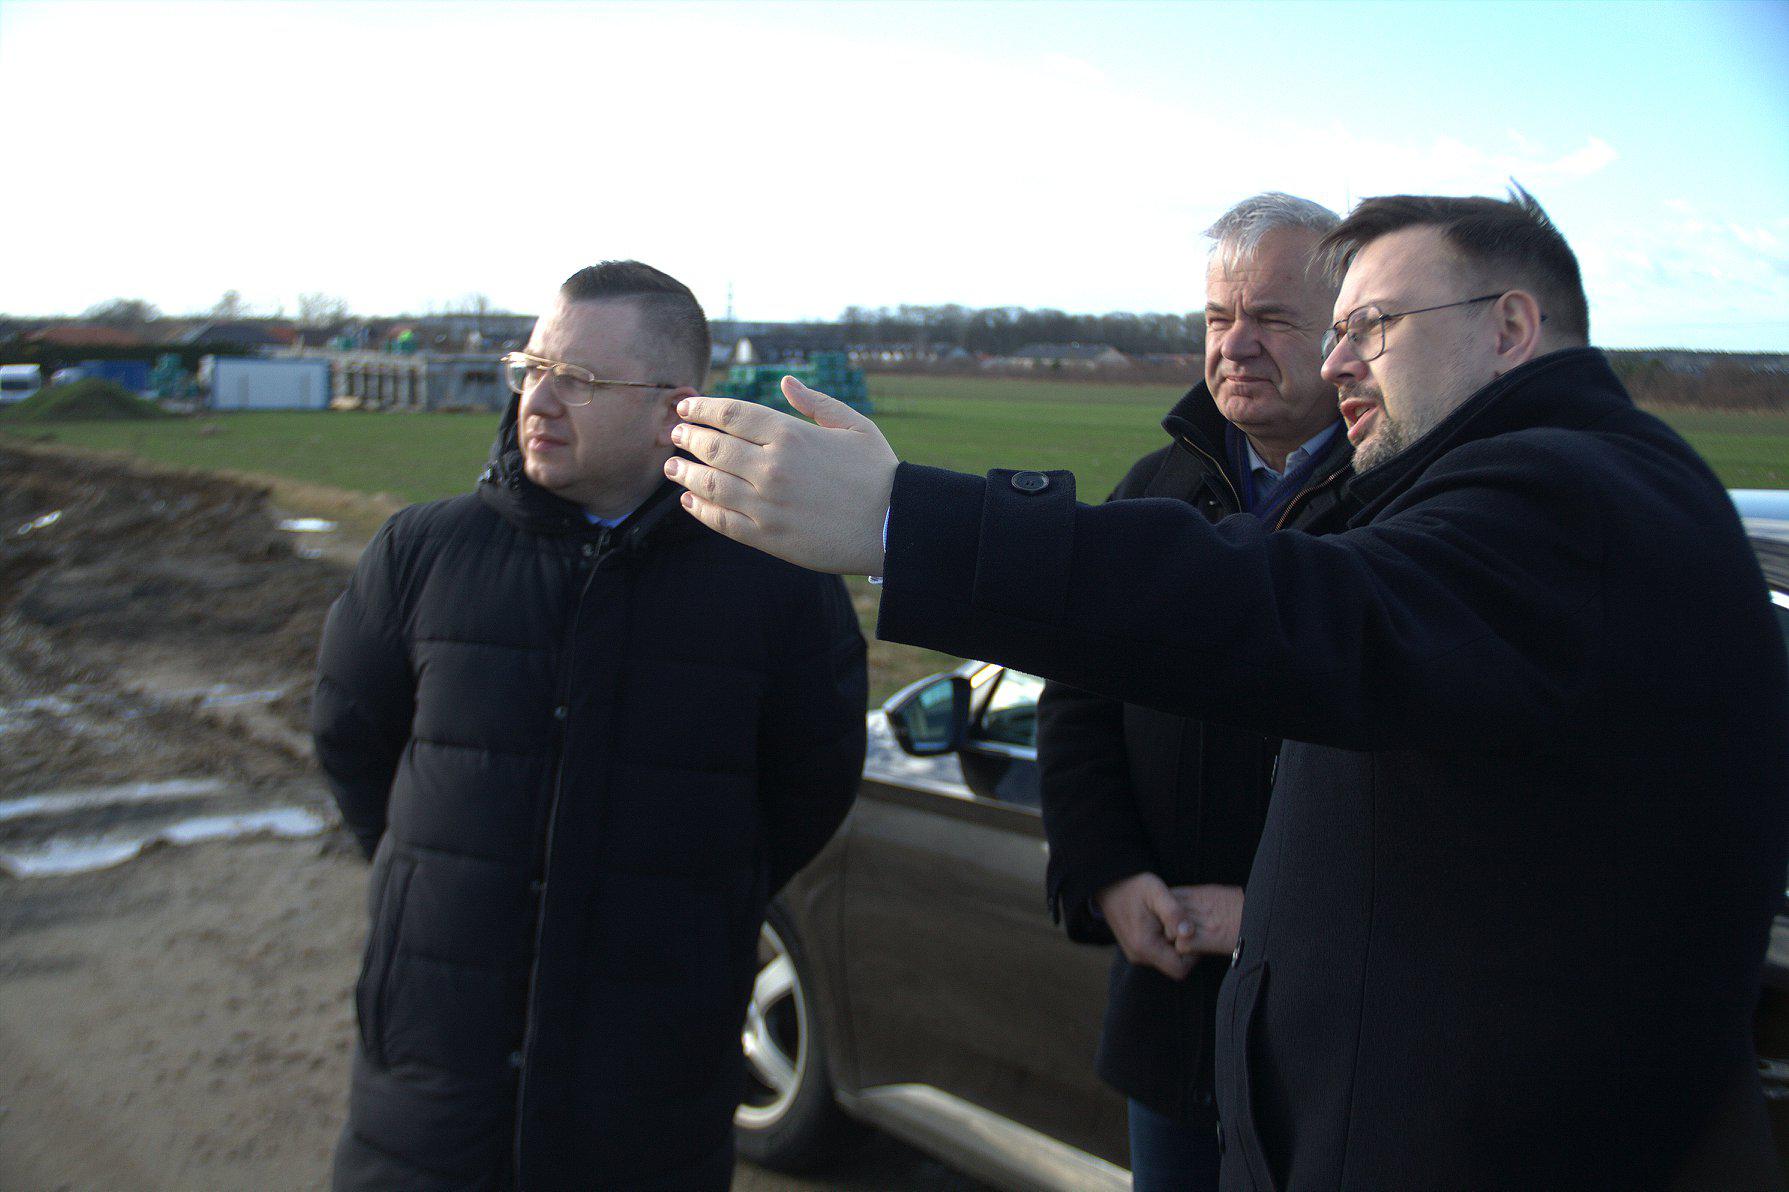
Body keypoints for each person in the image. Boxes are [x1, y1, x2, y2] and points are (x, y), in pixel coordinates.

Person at [663, 190, 1789, 1188]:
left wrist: (908, 524)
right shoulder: (1571, 483)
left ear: (1509, 326)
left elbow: (1308, 614)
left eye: (1371, 326)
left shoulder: (1567, 499)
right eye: (1335, 329)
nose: (1340, 361)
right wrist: (1112, 871)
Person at [312, 260, 867, 1191]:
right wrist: (433, 877)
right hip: (430, 1094)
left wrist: (695, 902)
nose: (540, 397)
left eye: (580, 379)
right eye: (532, 367)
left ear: (672, 408)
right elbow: (352, 740)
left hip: (646, 1097)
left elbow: (810, 784)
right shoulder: (422, 553)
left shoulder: (778, 584)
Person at [1037, 192, 1349, 1192]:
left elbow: (1433, 782)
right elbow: (1076, 704)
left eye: (1273, 319)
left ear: (1345, 333)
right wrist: (1109, 876)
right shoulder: (1150, 493)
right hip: (1173, 1009)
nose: (1237, 345)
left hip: (1347, 1033)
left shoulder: (1404, 506)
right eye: (1218, 319)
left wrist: (1274, 913)